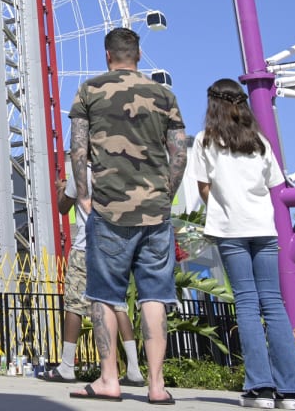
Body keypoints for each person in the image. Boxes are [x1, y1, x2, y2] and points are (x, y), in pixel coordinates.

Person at [68, 26, 188, 404]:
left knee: (103, 294)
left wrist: (84, 195)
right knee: (155, 295)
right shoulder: (163, 94)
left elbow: (78, 149)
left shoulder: (90, 90)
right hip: (155, 210)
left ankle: (109, 379)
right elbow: (180, 154)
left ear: (108, 55)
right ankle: (156, 385)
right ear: (138, 55)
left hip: (109, 208)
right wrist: (165, 192)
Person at [187, 80, 295, 411]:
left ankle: (261, 388)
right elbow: (274, 186)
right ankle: (290, 391)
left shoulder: (205, 142)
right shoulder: (259, 142)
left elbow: (204, 188)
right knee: (273, 303)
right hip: (264, 229)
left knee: (247, 304)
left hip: (230, 229)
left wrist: (225, 204)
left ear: (213, 106)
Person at [43, 171, 146, 385]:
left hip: (85, 247)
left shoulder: (81, 172)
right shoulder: (115, 168)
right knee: (118, 306)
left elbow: (64, 207)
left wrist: (61, 189)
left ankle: (67, 366)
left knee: (74, 305)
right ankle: (134, 369)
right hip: (114, 246)